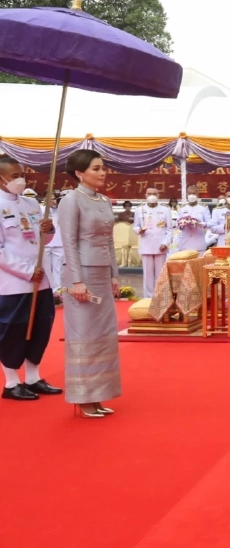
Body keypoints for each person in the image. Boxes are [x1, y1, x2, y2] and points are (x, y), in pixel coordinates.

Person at [59, 149, 122, 418]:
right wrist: (77, 281)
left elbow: (109, 240)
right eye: (96, 169)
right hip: (81, 274)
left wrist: (114, 274)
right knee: (83, 334)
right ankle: (83, 398)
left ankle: (98, 395)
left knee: (103, 335)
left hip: (101, 273)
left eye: (103, 168)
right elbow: (69, 243)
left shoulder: (104, 200)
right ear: (79, 173)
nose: (102, 172)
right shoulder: (71, 200)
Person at [0, 157, 61, 401]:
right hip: (13, 283)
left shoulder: (31, 203)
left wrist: (49, 230)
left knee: (41, 327)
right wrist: (26, 271)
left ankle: (33, 378)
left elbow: (42, 240)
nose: (20, 180)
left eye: (22, 175)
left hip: (41, 279)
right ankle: (11, 382)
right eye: (14, 176)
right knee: (13, 331)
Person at [134, 187, 172, 299]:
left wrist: (166, 243)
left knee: (160, 274)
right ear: (145, 195)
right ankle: (148, 298)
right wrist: (139, 230)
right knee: (148, 275)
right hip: (146, 245)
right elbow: (135, 226)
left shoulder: (165, 210)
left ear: (158, 195)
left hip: (161, 246)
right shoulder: (139, 209)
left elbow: (169, 229)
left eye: (154, 193)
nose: (152, 196)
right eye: (149, 193)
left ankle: (161, 297)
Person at [39, 191, 64, 293]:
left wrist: (59, 205)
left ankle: (57, 291)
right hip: (46, 243)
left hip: (59, 243)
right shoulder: (41, 209)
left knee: (58, 268)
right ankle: (48, 289)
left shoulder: (62, 210)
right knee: (46, 268)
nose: (52, 201)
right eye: (49, 199)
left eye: (53, 198)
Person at [176, 185, 210, 252]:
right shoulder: (182, 208)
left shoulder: (203, 208)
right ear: (187, 195)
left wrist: (199, 223)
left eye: (194, 193)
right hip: (185, 243)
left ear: (197, 194)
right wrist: (182, 223)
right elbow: (177, 224)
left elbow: (209, 223)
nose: (191, 195)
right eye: (189, 193)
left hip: (199, 243)